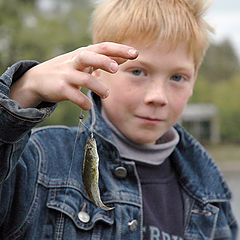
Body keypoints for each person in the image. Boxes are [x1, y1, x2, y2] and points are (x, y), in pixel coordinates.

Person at [0, 0, 238, 239]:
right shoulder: (37, 159)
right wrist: (22, 91)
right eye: (137, 72)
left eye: (177, 77)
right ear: (97, 69)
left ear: (194, 80)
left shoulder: (212, 193)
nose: (158, 97)